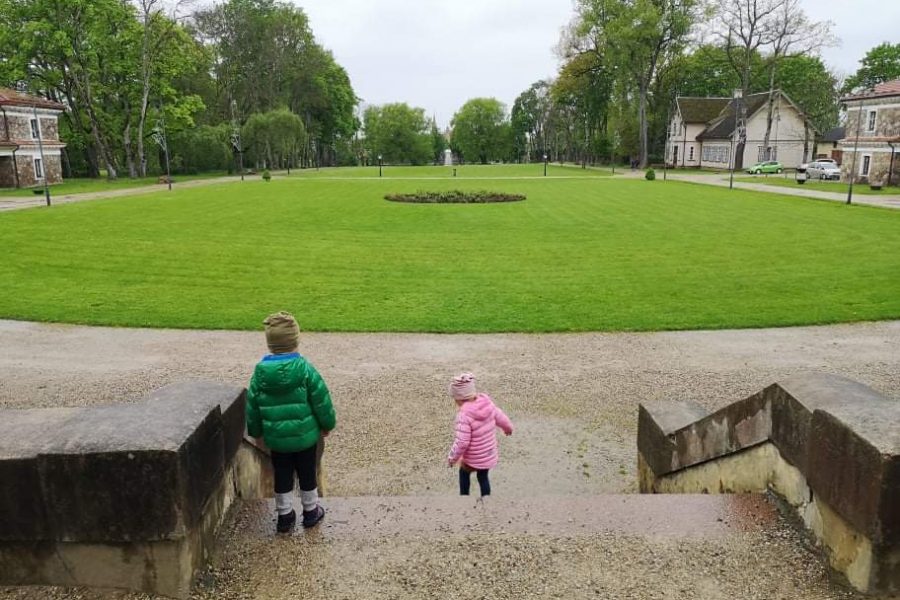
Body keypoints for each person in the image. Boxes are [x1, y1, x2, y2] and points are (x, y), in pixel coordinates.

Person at [246, 311, 336, 533]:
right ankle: (310, 511)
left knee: (282, 474)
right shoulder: (305, 368)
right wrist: (327, 424)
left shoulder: (260, 373)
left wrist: (256, 432)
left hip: (277, 439)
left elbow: (253, 406)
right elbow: (321, 400)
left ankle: (285, 516)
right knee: (307, 473)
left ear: (271, 343)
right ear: (295, 340)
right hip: (305, 436)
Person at [446, 373, 513, 496]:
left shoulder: (464, 415)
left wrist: (452, 458)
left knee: (464, 473)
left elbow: (462, 442)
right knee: (483, 477)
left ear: (459, 399)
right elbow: (501, 417)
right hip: (488, 453)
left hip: (473, 457)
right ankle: (486, 500)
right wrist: (508, 429)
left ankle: (464, 497)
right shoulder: (488, 404)